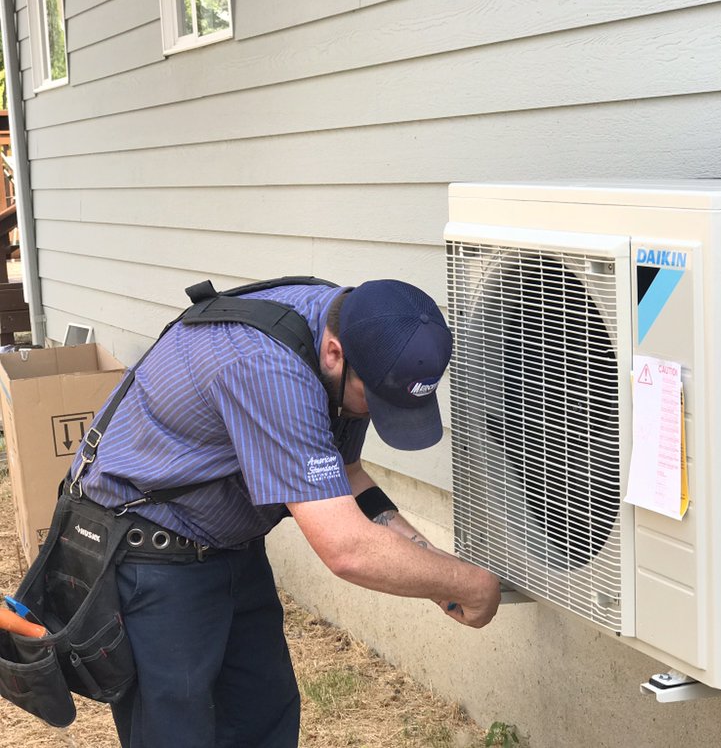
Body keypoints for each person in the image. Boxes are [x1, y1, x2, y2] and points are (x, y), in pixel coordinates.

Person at [68, 278, 502, 748]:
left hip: (227, 539)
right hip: (147, 549)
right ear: (335, 354)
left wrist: (433, 563)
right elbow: (346, 549)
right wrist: (467, 583)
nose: (374, 416)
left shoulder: (350, 332)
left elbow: (348, 473)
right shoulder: (269, 367)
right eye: (375, 401)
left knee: (264, 713)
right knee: (178, 731)